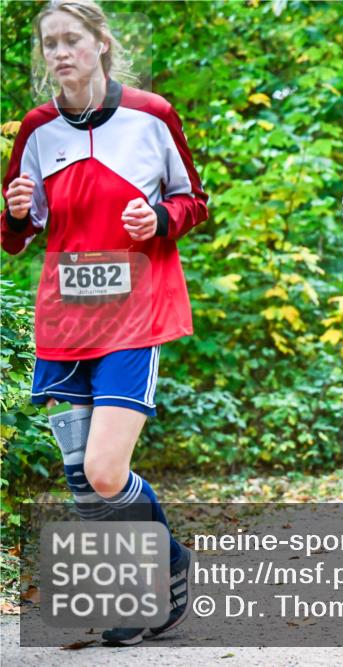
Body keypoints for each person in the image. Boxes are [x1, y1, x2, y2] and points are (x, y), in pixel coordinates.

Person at [1, 0, 208, 645]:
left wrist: (162, 220)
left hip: (133, 313)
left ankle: (169, 561)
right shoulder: (37, 130)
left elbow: (193, 200)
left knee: (104, 470)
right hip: (65, 318)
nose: (60, 53)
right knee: (79, 479)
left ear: (101, 43)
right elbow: (15, 238)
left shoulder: (152, 115)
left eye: (72, 40)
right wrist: (15, 211)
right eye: (50, 44)